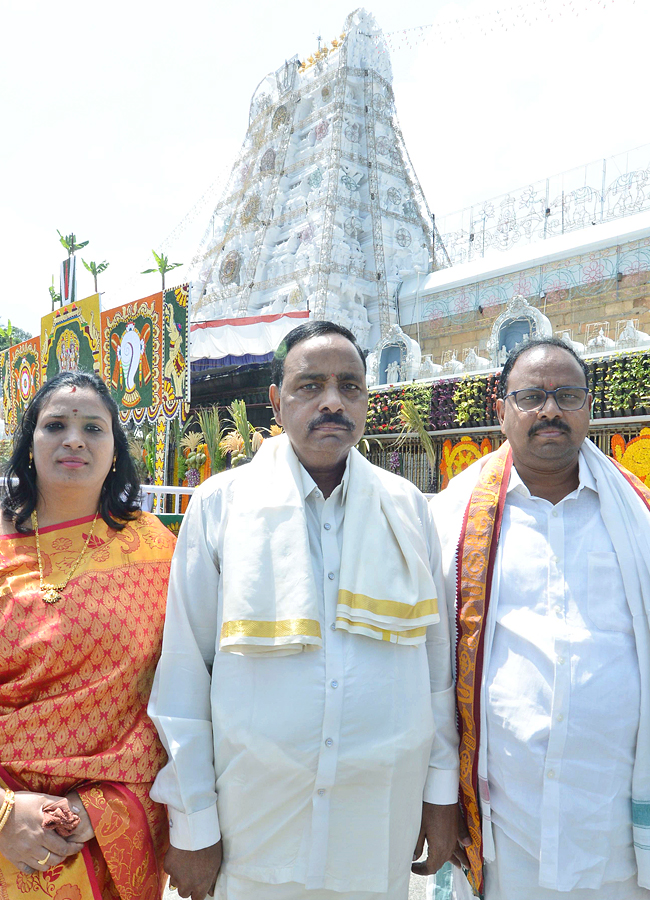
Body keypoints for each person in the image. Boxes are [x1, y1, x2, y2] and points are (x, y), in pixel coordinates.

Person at [148, 321, 460, 900]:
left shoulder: (409, 509)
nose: (332, 402)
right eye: (310, 385)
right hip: (256, 826)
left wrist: (440, 796)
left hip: (376, 824)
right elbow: (186, 675)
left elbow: (436, 669)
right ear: (276, 400)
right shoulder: (222, 505)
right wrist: (193, 823)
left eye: (350, 386)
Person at [430, 337, 650, 899]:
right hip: (507, 832)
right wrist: (436, 795)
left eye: (567, 395)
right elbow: (428, 668)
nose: (550, 410)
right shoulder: (450, 518)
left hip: (614, 831)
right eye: (531, 396)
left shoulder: (639, 517)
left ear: (589, 407)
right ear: (501, 409)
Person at [0, 371, 176, 899]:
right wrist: (5, 814)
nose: (74, 439)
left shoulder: (158, 551)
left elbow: (180, 692)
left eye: (93, 428)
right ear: (30, 443)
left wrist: (98, 808)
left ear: (116, 451)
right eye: (55, 425)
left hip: (108, 824)